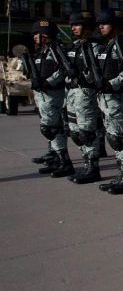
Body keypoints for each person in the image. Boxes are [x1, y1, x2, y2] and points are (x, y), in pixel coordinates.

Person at [91, 8, 123, 195]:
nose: (101, 27)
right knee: (113, 138)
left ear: (116, 26)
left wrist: (111, 84)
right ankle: (122, 174)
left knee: (119, 139)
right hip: (106, 98)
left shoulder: (122, 45)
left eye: (105, 23)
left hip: (118, 98)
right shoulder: (108, 45)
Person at [28, 19, 75, 178]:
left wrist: (48, 81)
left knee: (51, 128)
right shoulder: (41, 50)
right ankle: (55, 158)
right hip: (42, 95)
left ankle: (65, 161)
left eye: (38, 34)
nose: (35, 37)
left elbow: (63, 70)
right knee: (51, 129)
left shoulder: (57, 50)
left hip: (53, 94)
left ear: (47, 35)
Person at [65, 11, 103, 184]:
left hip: (86, 94)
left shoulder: (97, 47)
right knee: (76, 133)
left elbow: (98, 74)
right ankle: (86, 163)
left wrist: (82, 75)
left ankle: (92, 168)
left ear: (88, 28)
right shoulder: (73, 46)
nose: (73, 28)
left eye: (77, 24)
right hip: (72, 94)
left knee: (87, 133)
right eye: (72, 25)